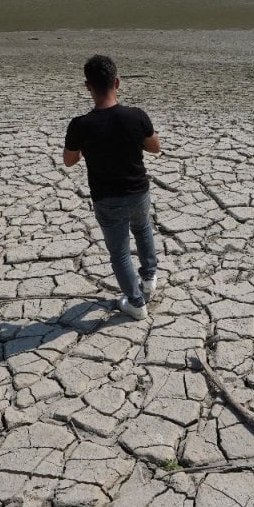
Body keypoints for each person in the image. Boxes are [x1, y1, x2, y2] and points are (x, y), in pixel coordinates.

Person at [64, 55, 161, 320]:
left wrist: (88, 145)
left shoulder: (81, 125)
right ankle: (150, 278)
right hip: (138, 192)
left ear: (88, 87)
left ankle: (136, 303)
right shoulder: (136, 116)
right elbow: (155, 148)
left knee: (119, 253)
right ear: (117, 82)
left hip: (107, 199)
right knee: (142, 229)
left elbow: (69, 161)